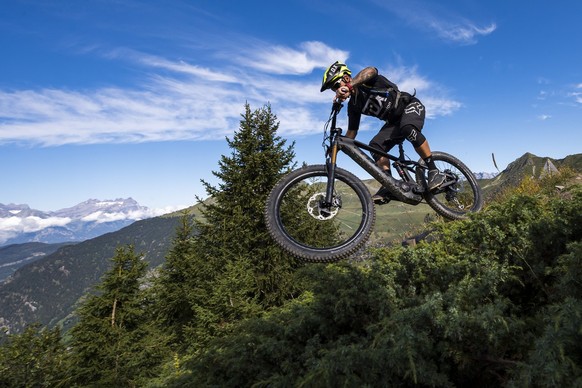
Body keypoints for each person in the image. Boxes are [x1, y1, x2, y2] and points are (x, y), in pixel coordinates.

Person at [320, 61, 445, 203]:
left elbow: (371, 70)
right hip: (393, 123)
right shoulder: (353, 105)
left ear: (346, 78)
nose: (336, 90)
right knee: (375, 145)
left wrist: (350, 86)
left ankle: (434, 170)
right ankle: (390, 184)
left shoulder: (365, 81)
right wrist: (336, 148)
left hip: (410, 106)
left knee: (407, 127)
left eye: (336, 86)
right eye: (333, 89)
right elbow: (352, 134)